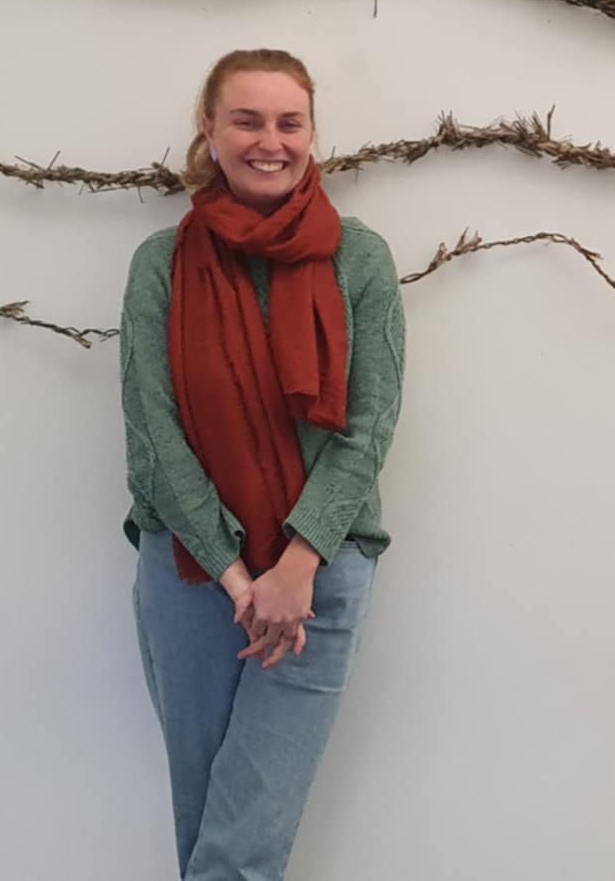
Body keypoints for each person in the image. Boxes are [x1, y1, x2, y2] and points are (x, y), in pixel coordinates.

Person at [120, 48, 406, 879]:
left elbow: (369, 424)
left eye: (290, 122)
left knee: (236, 850)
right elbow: (152, 430)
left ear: (314, 135)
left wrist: (296, 563)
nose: (268, 140)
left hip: (319, 575)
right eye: (246, 119)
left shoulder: (360, 258)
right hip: (188, 570)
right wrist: (238, 577)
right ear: (209, 129)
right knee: (207, 829)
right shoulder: (160, 264)